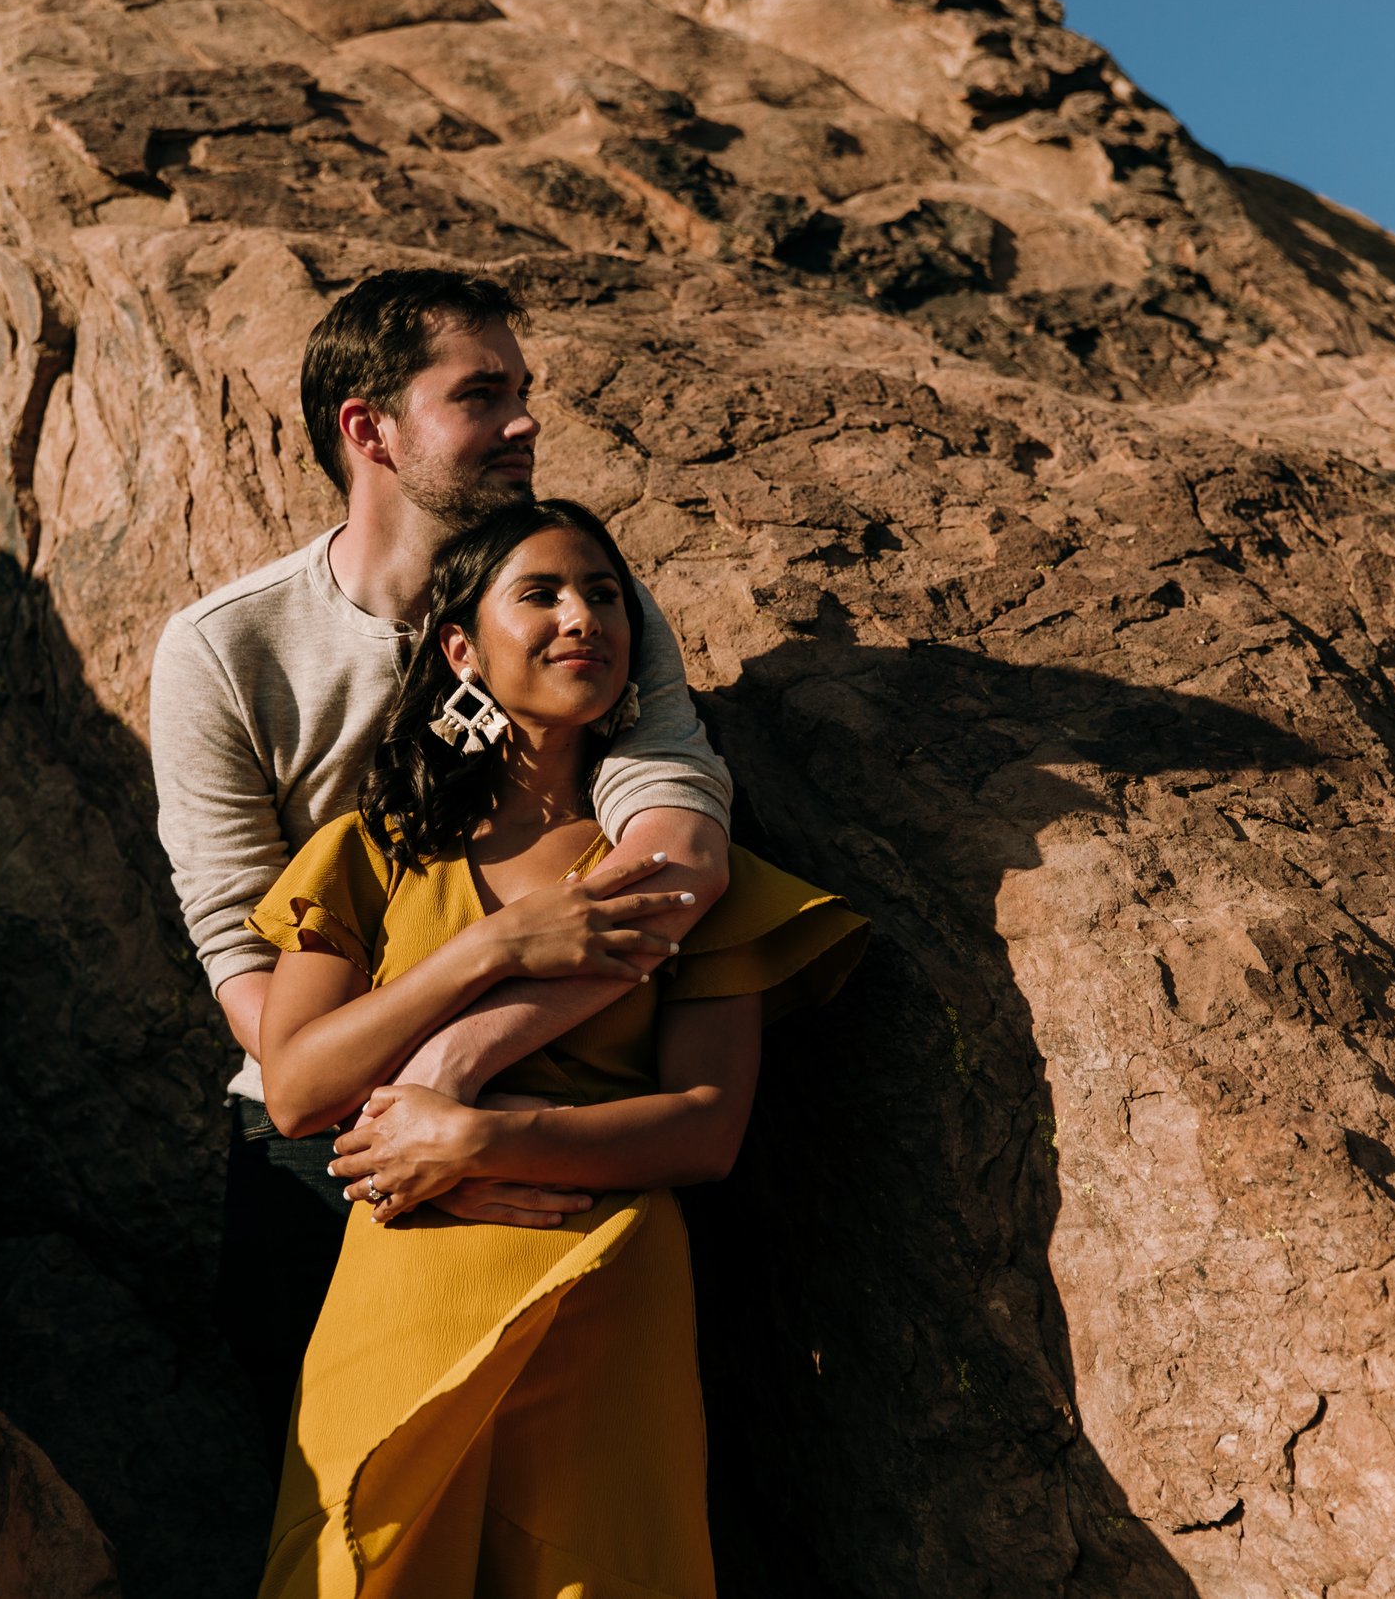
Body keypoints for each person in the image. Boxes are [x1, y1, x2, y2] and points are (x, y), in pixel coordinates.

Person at [149, 269, 738, 1438]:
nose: (525, 421)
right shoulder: (229, 649)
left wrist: (461, 1092)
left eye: (523, 391)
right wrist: (402, 1118)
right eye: (481, 395)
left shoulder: (591, 613)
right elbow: (237, 945)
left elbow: (674, 858)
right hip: (318, 1149)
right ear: (367, 429)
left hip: (564, 1118)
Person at [247, 499, 868, 1595]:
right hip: (402, 1286)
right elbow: (296, 1090)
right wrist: (486, 948)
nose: (581, 616)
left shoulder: (687, 866)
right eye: (538, 594)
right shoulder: (370, 851)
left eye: (603, 594)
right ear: (459, 647)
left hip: (603, 1292)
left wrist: (483, 1135)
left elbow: (706, 1126)